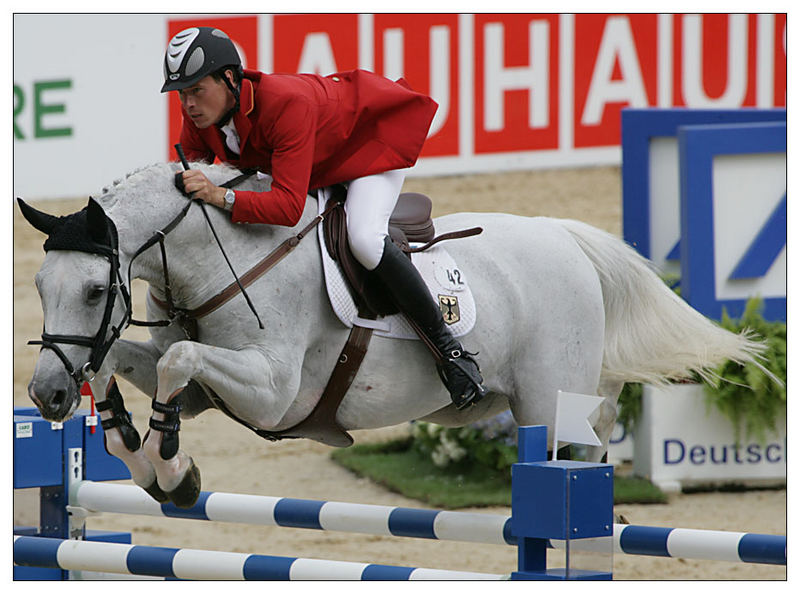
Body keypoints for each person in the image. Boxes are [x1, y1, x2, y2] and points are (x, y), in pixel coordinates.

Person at [162, 26, 486, 410]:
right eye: (182, 94)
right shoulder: (203, 119)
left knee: (363, 239)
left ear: (230, 78)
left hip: (366, 147)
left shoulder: (285, 103)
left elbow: (286, 208)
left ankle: (450, 351)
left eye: (197, 90)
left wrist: (221, 195)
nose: (189, 104)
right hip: (314, 163)